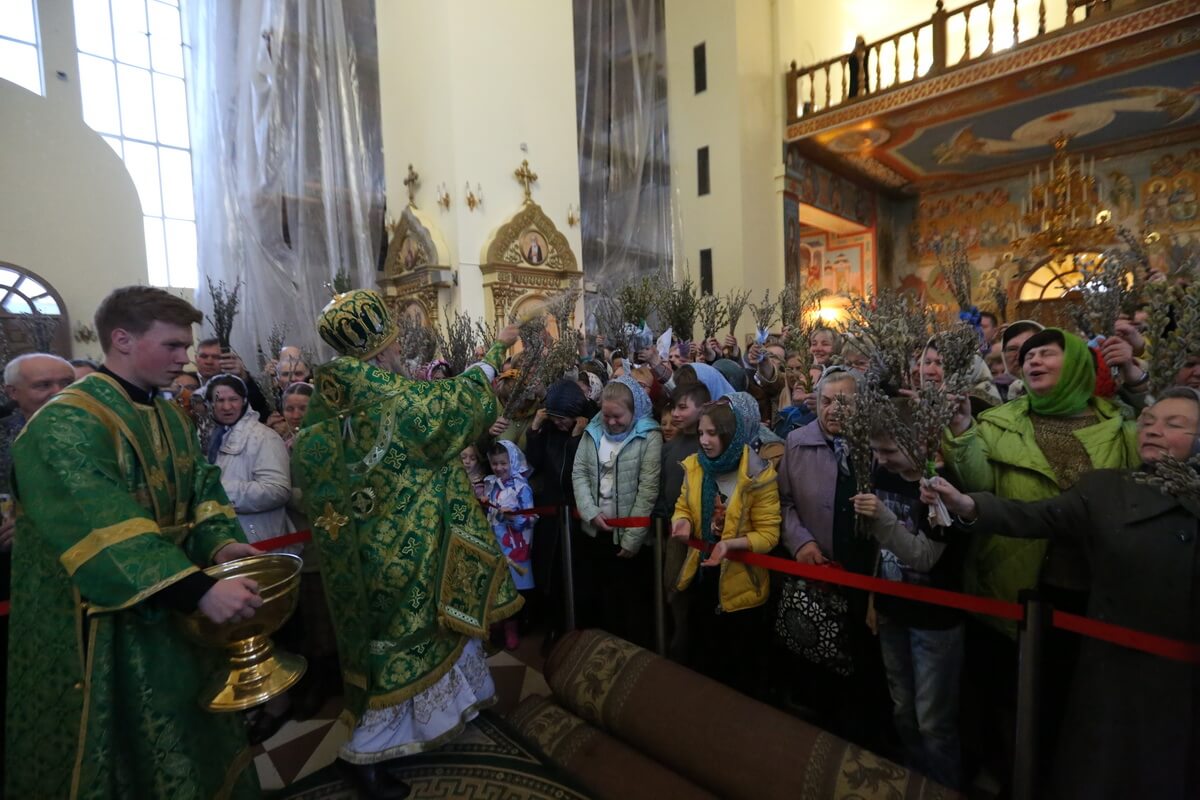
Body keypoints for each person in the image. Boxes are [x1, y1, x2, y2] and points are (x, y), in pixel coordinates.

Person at [5, 286, 261, 799]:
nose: (184, 359)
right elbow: (97, 523)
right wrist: (199, 591)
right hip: (98, 622)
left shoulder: (168, 413)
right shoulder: (65, 422)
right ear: (121, 339)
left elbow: (201, 489)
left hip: (171, 614)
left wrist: (220, 546)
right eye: (171, 346)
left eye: (185, 347)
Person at [292, 289, 522, 798]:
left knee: (415, 638)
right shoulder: (390, 398)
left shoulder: (326, 404)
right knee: (400, 650)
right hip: (407, 551)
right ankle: (366, 757)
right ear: (379, 352)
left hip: (365, 548)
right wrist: (497, 348)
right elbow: (456, 404)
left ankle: (447, 714)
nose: (399, 355)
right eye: (394, 347)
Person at [922, 388, 1200, 800]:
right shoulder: (1107, 489)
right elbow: (1033, 516)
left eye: (1174, 425)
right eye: (1149, 422)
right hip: (1110, 664)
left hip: (1182, 674)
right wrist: (966, 505)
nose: (1154, 431)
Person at [942, 327, 1139, 788]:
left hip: (1093, 587)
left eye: (1046, 354)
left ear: (1075, 364)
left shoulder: (1121, 425)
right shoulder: (1000, 421)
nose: (1032, 362)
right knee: (1009, 697)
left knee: (1077, 699)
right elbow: (980, 488)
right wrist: (960, 432)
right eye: (1027, 357)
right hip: (1013, 576)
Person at [850, 401, 965, 790]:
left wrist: (882, 516)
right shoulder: (883, 474)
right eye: (876, 451)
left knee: (933, 720)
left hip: (934, 619)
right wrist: (872, 599)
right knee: (902, 711)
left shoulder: (942, 486)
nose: (880, 461)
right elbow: (879, 552)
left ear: (918, 441)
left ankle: (943, 788)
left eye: (888, 451)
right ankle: (912, 784)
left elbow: (925, 556)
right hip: (891, 608)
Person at [776, 367, 890, 749]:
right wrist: (801, 542)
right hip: (816, 571)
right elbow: (784, 503)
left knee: (863, 666)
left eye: (844, 403)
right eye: (826, 402)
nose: (833, 411)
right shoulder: (796, 442)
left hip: (864, 575)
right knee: (815, 659)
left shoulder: (879, 449)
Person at [671, 400, 780, 696]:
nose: (705, 441)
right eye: (701, 433)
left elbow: (769, 534)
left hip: (741, 587)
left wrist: (731, 544)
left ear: (733, 434)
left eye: (714, 433)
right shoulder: (696, 467)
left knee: (738, 673)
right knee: (704, 665)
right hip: (704, 579)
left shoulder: (758, 475)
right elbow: (683, 505)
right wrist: (681, 521)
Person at [0, 351, 76, 774]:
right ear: (12, 393)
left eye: (65, 383)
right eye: (43, 385)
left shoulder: (93, 430)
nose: (57, 394)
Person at [571, 375, 662, 647]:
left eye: (618, 416)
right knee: (600, 597)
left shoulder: (649, 435)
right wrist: (590, 511)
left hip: (630, 538)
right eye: (606, 414)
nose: (610, 422)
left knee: (630, 603)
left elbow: (648, 488)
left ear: (633, 411)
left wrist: (633, 537)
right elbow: (580, 473)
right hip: (596, 530)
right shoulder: (593, 431)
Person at [524, 378, 591, 646]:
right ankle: (553, 625)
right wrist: (534, 430)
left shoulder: (586, 430)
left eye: (564, 419)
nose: (560, 424)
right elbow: (535, 462)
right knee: (550, 572)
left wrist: (575, 439)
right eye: (555, 419)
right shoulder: (549, 430)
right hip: (551, 510)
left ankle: (575, 627)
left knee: (574, 572)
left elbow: (577, 471)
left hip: (575, 510)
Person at [655, 381, 713, 660]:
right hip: (675, 530)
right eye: (674, 407)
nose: (676, 414)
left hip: (703, 532)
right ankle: (680, 634)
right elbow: (665, 484)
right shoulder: (671, 446)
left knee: (699, 591)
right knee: (673, 584)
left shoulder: (707, 444)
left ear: (702, 408)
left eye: (683, 407)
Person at [484, 440, 537, 650]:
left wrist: (512, 517)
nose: (499, 468)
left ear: (513, 461)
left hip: (515, 547)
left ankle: (512, 628)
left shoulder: (521, 487)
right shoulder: (491, 485)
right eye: (495, 463)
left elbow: (530, 517)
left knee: (515, 589)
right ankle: (498, 623)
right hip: (495, 544)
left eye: (503, 463)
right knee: (498, 586)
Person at [194, 336, 272, 422]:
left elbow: (259, 408)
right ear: (196, 358)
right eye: (204, 356)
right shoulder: (186, 382)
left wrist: (244, 377)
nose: (209, 362)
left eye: (216, 357)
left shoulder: (235, 383)